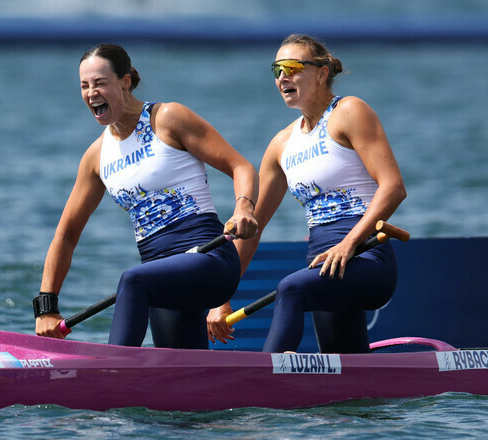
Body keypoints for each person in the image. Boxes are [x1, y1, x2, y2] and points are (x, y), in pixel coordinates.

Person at [34, 43, 258, 349]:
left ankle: (110, 374)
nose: (91, 93)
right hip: (161, 278)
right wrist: (47, 307)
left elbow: (240, 166)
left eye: (100, 83)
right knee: (181, 374)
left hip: (209, 258)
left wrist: (244, 208)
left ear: (125, 82)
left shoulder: (167, 118)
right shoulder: (96, 156)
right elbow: (67, 234)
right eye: (84, 86)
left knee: (132, 280)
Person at [207, 34, 406, 353]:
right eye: (277, 70)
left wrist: (348, 244)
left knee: (291, 288)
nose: (283, 76)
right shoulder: (281, 145)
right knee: (348, 379)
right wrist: (221, 298)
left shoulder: (349, 111)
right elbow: (252, 229)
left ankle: (265, 379)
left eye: (293, 67)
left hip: (367, 257)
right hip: (323, 265)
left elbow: (394, 188)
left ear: (322, 72)